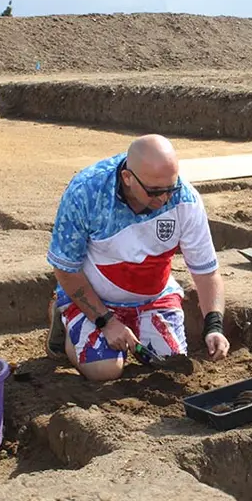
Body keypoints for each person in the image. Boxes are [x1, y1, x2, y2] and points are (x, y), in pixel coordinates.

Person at [43, 134, 230, 381]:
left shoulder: (185, 199)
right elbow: (66, 269)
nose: (164, 199)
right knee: (105, 370)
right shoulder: (86, 193)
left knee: (169, 365)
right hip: (96, 296)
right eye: (154, 191)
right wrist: (107, 322)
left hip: (154, 295)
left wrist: (214, 326)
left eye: (170, 189)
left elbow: (206, 271)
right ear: (128, 178)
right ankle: (65, 316)